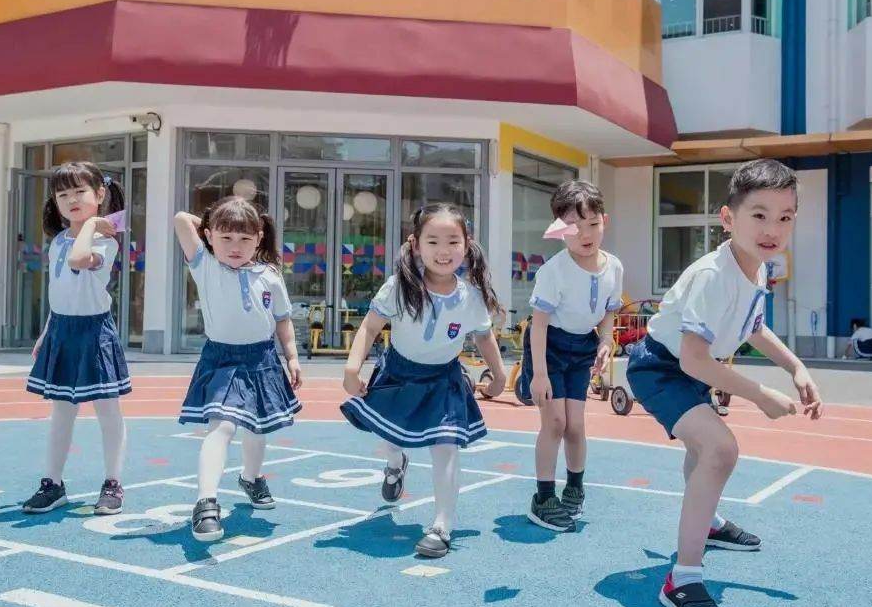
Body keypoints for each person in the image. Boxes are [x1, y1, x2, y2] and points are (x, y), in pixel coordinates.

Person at [626, 159, 823, 607]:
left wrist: (795, 367)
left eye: (785, 217)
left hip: (689, 368)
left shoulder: (755, 269)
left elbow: (753, 328)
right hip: (660, 368)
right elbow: (694, 360)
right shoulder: (713, 276)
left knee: (705, 451)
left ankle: (708, 524)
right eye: (760, 215)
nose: (772, 228)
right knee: (720, 449)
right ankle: (682, 579)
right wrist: (761, 394)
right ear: (728, 218)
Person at [341, 203, 506, 558]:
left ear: (467, 244)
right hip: (399, 375)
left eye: (452, 241)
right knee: (390, 440)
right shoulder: (398, 287)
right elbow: (370, 327)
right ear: (415, 245)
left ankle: (442, 525)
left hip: (444, 380)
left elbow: (483, 336)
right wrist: (352, 368)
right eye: (433, 241)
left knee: (446, 447)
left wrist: (499, 374)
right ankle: (396, 463)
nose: (443, 251)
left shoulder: (471, 296)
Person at [174, 196, 302, 542]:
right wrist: (214, 222)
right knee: (222, 427)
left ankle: (251, 478)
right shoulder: (204, 264)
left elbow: (282, 319)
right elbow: (180, 218)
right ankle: (206, 503)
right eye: (226, 237)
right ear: (209, 236)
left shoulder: (270, 274)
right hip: (222, 360)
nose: (235, 246)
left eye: (245, 238)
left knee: (257, 428)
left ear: (259, 238)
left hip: (262, 359)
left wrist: (291, 356)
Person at [23, 162, 131, 516]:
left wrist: (92, 226)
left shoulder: (104, 240)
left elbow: (79, 259)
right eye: (62, 194)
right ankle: (52, 484)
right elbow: (59, 289)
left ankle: (113, 482)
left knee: (108, 411)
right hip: (62, 331)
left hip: (94, 332)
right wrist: (46, 331)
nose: (71, 200)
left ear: (99, 194)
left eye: (79, 192)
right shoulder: (58, 241)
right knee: (61, 412)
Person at [518, 180, 623, 532]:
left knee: (576, 425)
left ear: (605, 221)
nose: (585, 234)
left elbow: (609, 311)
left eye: (593, 223)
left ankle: (574, 489)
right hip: (548, 347)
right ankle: (543, 498)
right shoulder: (554, 270)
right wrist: (539, 374)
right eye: (575, 227)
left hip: (582, 348)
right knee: (555, 423)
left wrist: (605, 341)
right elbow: (538, 324)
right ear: (560, 230)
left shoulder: (614, 267)